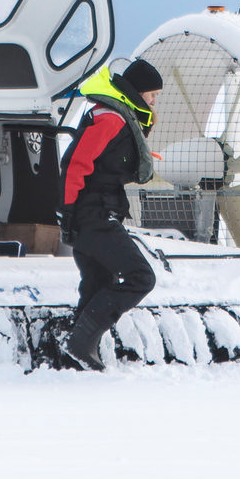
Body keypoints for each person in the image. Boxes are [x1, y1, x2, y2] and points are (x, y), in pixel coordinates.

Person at [56, 59, 164, 370]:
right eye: (152, 94)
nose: (155, 101)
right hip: (93, 214)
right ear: (138, 92)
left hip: (93, 212)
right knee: (141, 277)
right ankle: (81, 341)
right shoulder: (112, 119)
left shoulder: (117, 116)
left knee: (98, 279)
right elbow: (76, 164)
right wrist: (67, 213)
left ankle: (74, 352)